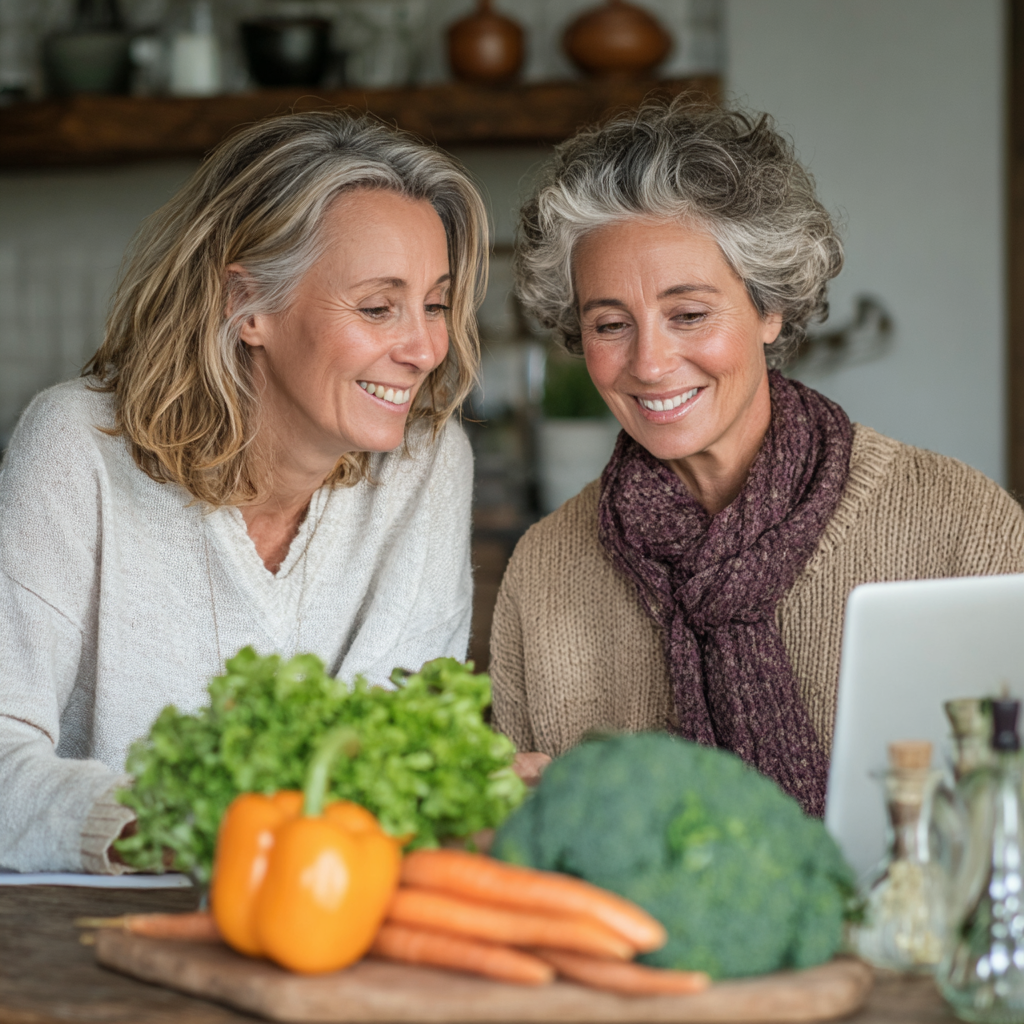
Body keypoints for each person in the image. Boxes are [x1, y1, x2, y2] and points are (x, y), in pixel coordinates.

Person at [491, 100, 1024, 813]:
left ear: (768, 308)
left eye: (689, 315)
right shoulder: (546, 568)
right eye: (610, 324)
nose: (650, 363)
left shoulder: (959, 523)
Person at [0, 112, 488, 872]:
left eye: (434, 303)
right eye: (377, 306)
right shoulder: (77, 445)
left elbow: (393, 762)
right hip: (85, 932)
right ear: (248, 304)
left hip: (321, 923)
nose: (427, 347)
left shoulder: (427, 465)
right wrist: (187, 831)